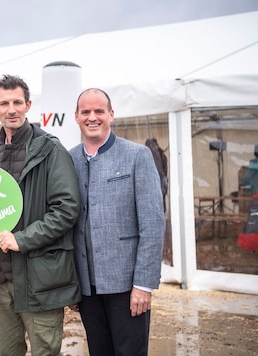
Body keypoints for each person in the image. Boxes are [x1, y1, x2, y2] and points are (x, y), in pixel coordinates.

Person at [0, 74, 81, 355]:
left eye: (17, 102)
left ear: (28, 105)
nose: (11, 109)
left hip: (39, 281)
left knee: (45, 351)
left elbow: (67, 208)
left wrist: (22, 239)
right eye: (4, 103)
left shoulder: (50, 150)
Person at [68, 88, 165, 356]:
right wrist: (73, 285)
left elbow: (153, 223)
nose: (92, 117)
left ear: (111, 114)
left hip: (127, 286)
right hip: (87, 288)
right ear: (76, 117)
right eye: (85, 111)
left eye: (99, 111)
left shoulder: (137, 156)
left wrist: (144, 285)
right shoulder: (69, 159)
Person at [145, 137, 168, 212]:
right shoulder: (161, 155)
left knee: (157, 207)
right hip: (158, 185)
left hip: (157, 185)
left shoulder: (159, 155)